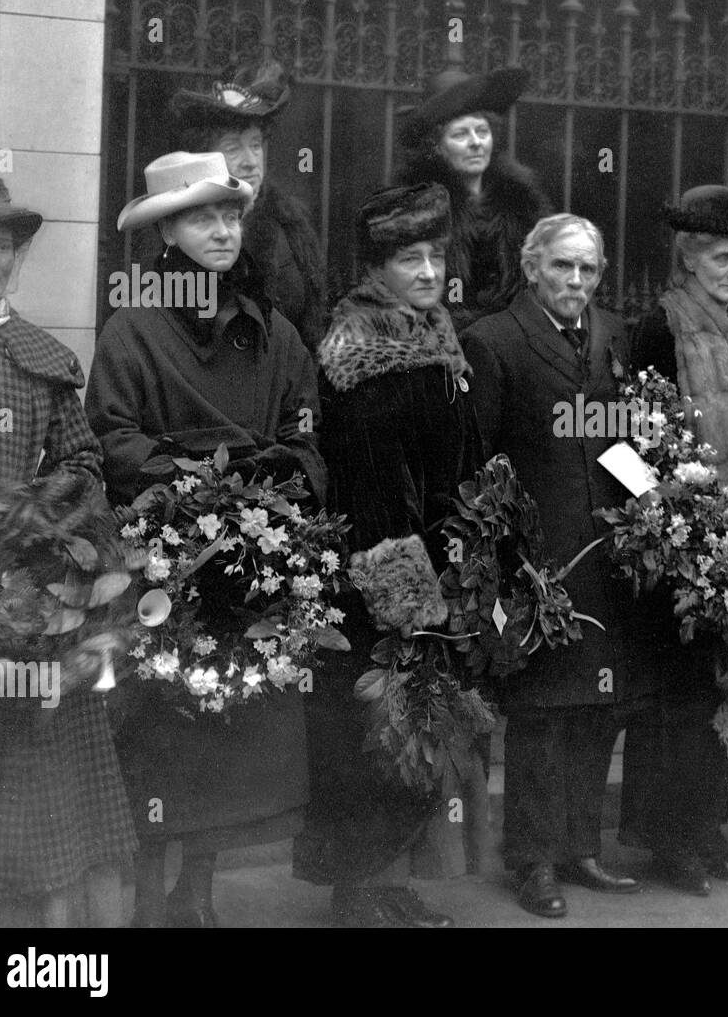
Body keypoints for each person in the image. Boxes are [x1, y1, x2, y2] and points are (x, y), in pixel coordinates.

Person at [87, 151, 325, 927]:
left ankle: (199, 893)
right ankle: (150, 901)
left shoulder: (274, 331)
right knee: (166, 730)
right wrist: (195, 495)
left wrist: (265, 496)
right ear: (164, 231)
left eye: (230, 215)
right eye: (202, 216)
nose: (223, 230)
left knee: (234, 728)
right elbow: (112, 440)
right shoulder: (131, 331)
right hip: (164, 568)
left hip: (251, 566)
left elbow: (304, 432)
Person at [461, 214, 662, 918]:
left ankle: (581, 848)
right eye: (562, 267)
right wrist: (502, 557)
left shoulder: (614, 336)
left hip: (608, 553)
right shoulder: (492, 341)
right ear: (531, 266)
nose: (576, 281)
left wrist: (657, 500)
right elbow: (480, 461)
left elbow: (622, 440)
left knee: (597, 707)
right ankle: (534, 860)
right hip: (538, 559)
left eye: (589, 269)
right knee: (543, 712)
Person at [293, 182, 483, 928]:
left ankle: (391, 880)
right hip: (383, 573)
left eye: (436, 255)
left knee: (417, 729)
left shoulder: (433, 332)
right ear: (378, 267)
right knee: (379, 727)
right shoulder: (361, 348)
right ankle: (358, 888)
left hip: (436, 562)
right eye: (411, 258)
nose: (430, 270)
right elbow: (370, 482)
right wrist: (409, 597)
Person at [0, 175, 136, 927]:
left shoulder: (49, 359)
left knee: (46, 781)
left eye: (5, 247)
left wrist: (41, 527)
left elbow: (86, 465)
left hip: (31, 597)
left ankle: (51, 945)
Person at [618, 185, 728, 895]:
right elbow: (632, 442)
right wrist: (681, 531)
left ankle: (705, 831)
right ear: (687, 256)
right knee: (678, 699)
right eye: (721, 256)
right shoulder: (658, 326)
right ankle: (667, 840)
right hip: (688, 545)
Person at [169, 58, 328, 352]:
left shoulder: (290, 225)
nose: (250, 160)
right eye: (232, 147)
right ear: (205, 156)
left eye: (255, 145)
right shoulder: (180, 233)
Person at [395, 67, 551, 331]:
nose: (476, 143)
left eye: (482, 131)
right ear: (437, 145)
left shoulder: (523, 202)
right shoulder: (412, 206)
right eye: (460, 135)